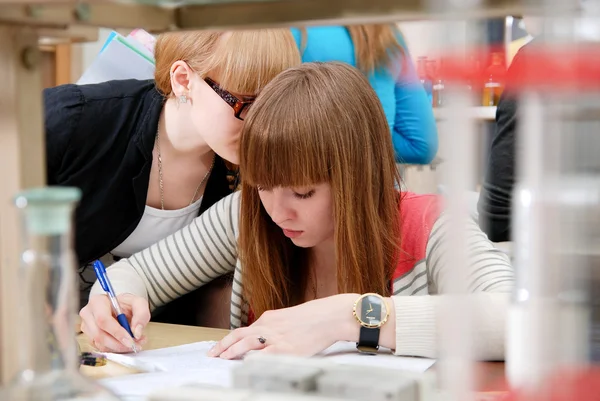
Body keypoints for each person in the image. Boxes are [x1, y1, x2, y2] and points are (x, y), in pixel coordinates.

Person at [80, 62, 513, 360]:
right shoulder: (245, 214)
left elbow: (523, 320)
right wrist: (109, 303)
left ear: (358, 177)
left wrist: (347, 317)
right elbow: (132, 276)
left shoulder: (430, 225)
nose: (277, 211)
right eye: (263, 185)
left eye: (303, 193)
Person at [44, 29, 300, 309]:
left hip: (145, 339)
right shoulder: (73, 120)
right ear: (183, 80)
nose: (261, 125)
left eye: (272, 106)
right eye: (246, 104)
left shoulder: (247, 172)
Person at [290, 24, 438, 165]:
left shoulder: (287, 29)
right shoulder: (384, 32)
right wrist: (369, 140)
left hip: (307, 181)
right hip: (374, 185)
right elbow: (421, 146)